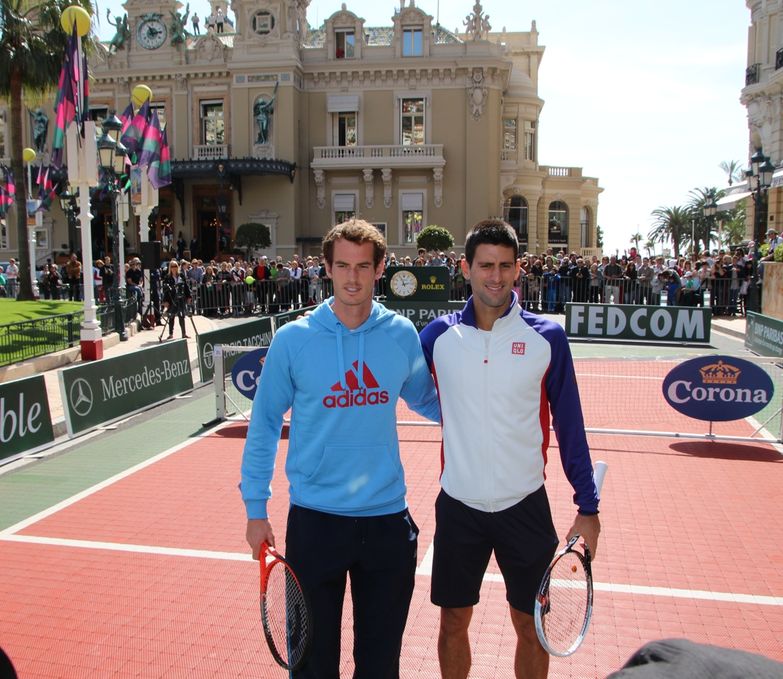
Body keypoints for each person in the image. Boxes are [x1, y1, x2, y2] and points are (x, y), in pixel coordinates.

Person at [240, 219, 440, 678]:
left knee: (380, 667)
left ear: (380, 269)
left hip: (387, 524)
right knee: (312, 667)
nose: (353, 277)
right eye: (343, 266)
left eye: (363, 266)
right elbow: (265, 424)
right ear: (327, 268)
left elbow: (429, 401)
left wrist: (484, 407)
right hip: (315, 523)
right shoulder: (293, 340)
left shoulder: (401, 334)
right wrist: (255, 509)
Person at [419, 219, 601, 679]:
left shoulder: (547, 338)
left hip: (525, 507)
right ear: (466, 268)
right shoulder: (437, 337)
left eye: (504, 265)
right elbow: (389, 387)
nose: (495, 276)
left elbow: (570, 426)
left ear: (518, 268)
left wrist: (588, 507)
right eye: (485, 265)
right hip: (458, 506)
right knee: (452, 622)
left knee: (531, 626)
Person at [162, 261, 192, 339]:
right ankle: (171, 333)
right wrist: (165, 301)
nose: (174, 268)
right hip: (172, 299)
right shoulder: (167, 277)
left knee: (181, 316)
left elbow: (186, 286)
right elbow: (165, 290)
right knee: (171, 316)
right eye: (172, 266)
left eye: (175, 266)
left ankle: (184, 333)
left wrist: (189, 296)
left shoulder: (181, 275)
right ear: (170, 268)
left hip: (181, 298)